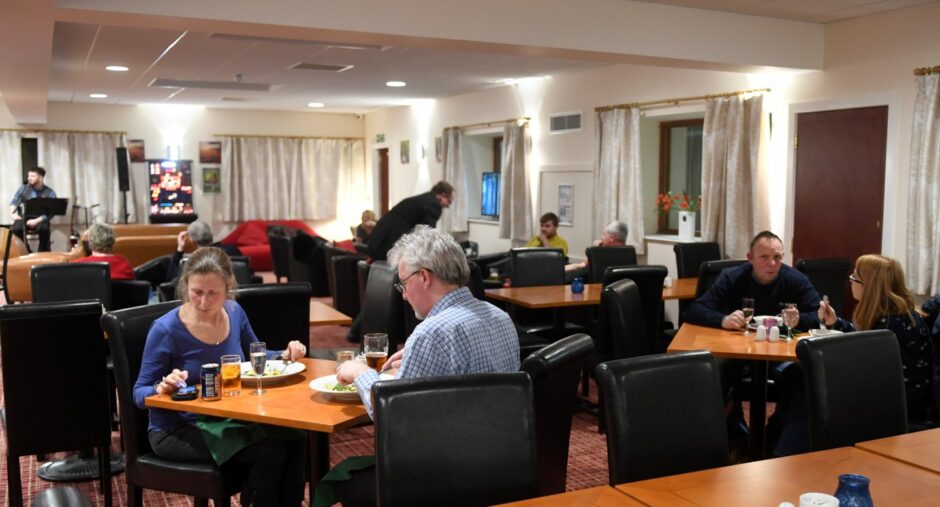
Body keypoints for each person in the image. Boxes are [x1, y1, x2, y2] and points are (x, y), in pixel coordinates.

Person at [322, 226, 519, 507]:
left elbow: (395, 421)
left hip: (446, 478)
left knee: (343, 478)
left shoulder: (432, 332)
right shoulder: (500, 317)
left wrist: (362, 374)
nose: (402, 295)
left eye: (402, 284)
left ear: (424, 277)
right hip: (505, 465)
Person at [133, 247, 308, 507]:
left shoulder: (235, 312)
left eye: (213, 293)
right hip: (177, 430)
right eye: (196, 292)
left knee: (296, 436)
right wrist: (161, 386)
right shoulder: (166, 329)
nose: (204, 301)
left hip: (227, 420)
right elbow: (138, 394)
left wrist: (285, 353)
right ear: (185, 286)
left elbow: (256, 357)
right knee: (270, 450)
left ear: (228, 288)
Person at [772, 254, 936, 456]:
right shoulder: (894, 313)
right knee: (796, 375)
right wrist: (836, 323)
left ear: (869, 286)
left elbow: (861, 366)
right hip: (887, 391)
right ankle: (775, 442)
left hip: (898, 403)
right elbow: (862, 344)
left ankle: (784, 453)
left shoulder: (892, 323)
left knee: (809, 387)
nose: (851, 281)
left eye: (855, 278)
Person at [684, 231, 820, 330]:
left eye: (777, 257)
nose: (772, 263)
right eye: (764, 257)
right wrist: (723, 320)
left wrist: (799, 320)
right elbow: (694, 310)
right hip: (738, 349)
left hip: (780, 349)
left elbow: (820, 316)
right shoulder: (732, 277)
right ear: (750, 258)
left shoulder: (796, 280)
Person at [366, 181, 454, 261]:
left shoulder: (424, 199)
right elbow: (428, 233)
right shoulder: (433, 204)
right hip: (387, 242)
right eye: (449, 201)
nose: (448, 206)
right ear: (442, 195)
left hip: (379, 239)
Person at [166, 221, 242, 282]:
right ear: (211, 236)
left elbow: (172, 280)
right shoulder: (233, 250)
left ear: (193, 241)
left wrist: (180, 249)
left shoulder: (194, 261)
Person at [9, 167, 56, 251]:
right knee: (16, 229)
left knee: (44, 229)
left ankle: (42, 252)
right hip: (25, 215)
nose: (29, 178)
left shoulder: (50, 192)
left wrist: (37, 220)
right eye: (28, 176)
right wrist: (12, 213)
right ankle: (26, 250)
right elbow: (14, 202)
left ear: (40, 178)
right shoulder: (24, 189)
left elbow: (51, 212)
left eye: (32, 176)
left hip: (41, 218)